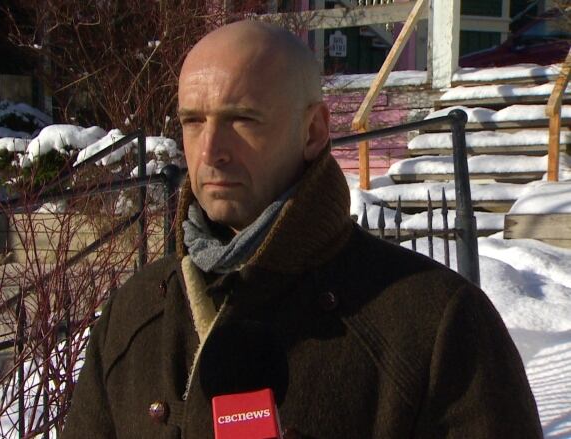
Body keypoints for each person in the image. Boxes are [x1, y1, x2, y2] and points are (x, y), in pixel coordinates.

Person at [61, 20, 542, 438]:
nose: (209, 152)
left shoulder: (436, 325)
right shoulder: (135, 313)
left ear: (313, 131)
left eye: (242, 120)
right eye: (193, 122)